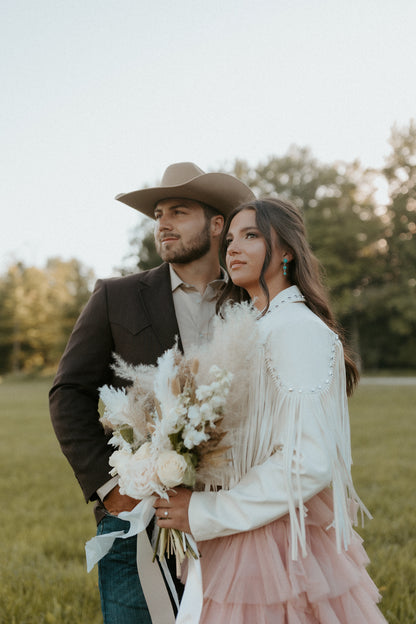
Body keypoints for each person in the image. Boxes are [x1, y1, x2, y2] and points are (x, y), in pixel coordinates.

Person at [154, 198, 387, 623]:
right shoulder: (254, 326)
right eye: (229, 240)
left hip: (276, 547)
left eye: (251, 235)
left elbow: (308, 460)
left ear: (286, 251)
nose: (233, 249)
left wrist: (207, 512)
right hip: (241, 532)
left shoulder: (298, 330)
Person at [49, 162, 255, 624]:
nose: (162, 223)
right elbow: (67, 394)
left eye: (178, 212)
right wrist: (111, 488)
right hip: (139, 516)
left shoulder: (250, 299)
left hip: (232, 513)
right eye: (158, 213)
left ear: (217, 224)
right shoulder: (115, 296)